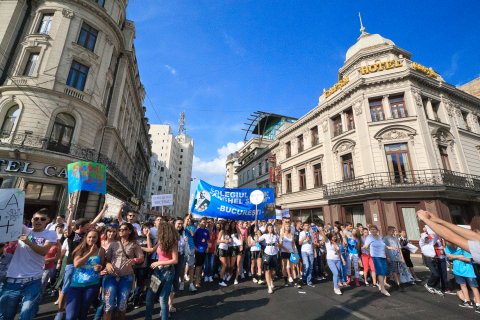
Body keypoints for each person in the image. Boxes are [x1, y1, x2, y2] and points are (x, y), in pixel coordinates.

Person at [0, 208, 57, 320]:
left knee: (26, 316)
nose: (38, 221)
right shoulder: (24, 230)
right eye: (36, 218)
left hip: (33, 281)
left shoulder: (50, 233)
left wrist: (28, 242)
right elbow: (10, 218)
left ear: (47, 221)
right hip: (12, 281)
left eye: (42, 219)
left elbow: (43, 251)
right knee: (5, 316)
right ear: (31, 220)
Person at [56, 204, 107, 320]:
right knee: (66, 288)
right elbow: (68, 226)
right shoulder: (72, 234)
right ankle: (60, 311)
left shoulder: (87, 236)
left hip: (87, 267)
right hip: (71, 264)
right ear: (81, 226)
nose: (90, 227)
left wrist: (103, 209)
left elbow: (95, 221)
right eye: (88, 226)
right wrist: (70, 211)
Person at [103, 223, 144, 320]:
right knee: (108, 305)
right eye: (120, 229)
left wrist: (134, 260)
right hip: (111, 277)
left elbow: (141, 258)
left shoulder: (134, 244)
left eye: (124, 229)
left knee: (122, 305)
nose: (121, 231)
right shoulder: (114, 243)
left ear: (129, 231)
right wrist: (107, 264)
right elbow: (106, 259)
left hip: (126, 278)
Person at [65, 230, 105, 320]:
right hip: (76, 285)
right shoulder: (80, 249)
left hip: (92, 285)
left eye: (94, 237)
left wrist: (100, 268)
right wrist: (90, 253)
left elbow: (101, 265)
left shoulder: (101, 250)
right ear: (86, 238)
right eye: (89, 237)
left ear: (98, 238)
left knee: (83, 314)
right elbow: (76, 264)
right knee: (71, 316)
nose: (91, 239)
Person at [144, 221, 179, 320]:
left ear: (163, 231)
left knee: (163, 299)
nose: (157, 231)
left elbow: (175, 260)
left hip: (167, 272)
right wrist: (139, 247)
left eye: (159, 229)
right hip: (158, 272)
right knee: (149, 297)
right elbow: (151, 250)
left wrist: (159, 263)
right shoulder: (160, 240)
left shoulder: (173, 243)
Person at [445, 241, 480, 311]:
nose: (451, 248)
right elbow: (448, 257)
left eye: (452, 246)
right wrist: (459, 256)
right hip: (457, 270)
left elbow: (468, 259)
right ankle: (467, 301)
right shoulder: (448, 246)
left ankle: (478, 304)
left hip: (468, 271)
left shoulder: (463, 246)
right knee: (463, 285)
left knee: (474, 287)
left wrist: (453, 256)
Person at [362, 225, 390, 296]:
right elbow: (366, 245)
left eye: (374, 229)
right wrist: (366, 248)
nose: (373, 230)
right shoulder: (369, 237)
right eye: (371, 229)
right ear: (370, 231)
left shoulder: (379, 237)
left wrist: (390, 248)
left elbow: (384, 245)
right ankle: (383, 289)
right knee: (380, 272)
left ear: (377, 230)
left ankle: (381, 285)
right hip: (375, 256)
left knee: (384, 272)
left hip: (382, 255)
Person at [169, 217, 186, 313]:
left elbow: (183, 248)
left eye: (181, 223)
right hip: (170, 258)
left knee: (175, 280)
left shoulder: (182, 233)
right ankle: (165, 306)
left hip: (180, 257)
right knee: (169, 280)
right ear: (174, 224)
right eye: (178, 223)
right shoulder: (170, 234)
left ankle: (170, 304)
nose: (180, 225)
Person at [259, 223, 279, 294]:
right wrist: (256, 234)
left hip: (274, 254)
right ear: (267, 228)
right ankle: (269, 287)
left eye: (271, 227)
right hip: (267, 254)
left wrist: (278, 245)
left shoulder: (276, 236)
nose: (270, 229)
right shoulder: (265, 235)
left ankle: (271, 280)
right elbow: (258, 239)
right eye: (269, 227)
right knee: (267, 270)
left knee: (273, 271)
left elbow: (279, 243)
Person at [383, 226, 405, 291]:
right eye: (392, 230)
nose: (393, 232)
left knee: (398, 270)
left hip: (397, 256)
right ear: (389, 231)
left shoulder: (396, 238)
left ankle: (398, 281)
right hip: (391, 256)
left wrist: (402, 257)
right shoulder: (386, 238)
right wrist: (387, 256)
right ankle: (398, 283)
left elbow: (399, 248)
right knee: (394, 270)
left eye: (394, 230)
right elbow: (385, 248)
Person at [193, 218, 210, 288]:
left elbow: (207, 240)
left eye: (205, 222)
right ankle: (196, 281)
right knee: (198, 266)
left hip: (204, 250)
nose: (203, 223)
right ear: (200, 222)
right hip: (198, 250)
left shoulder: (206, 231)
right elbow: (192, 240)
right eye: (202, 222)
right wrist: (195, 248)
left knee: (201, 266)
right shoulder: (197, 230)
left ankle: (198, 278)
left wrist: (207, 248)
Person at [279, 220, 295, 286]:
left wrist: (294, 251)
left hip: (291, 252)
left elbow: (293, 244)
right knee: (284, 266)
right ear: (284, 228)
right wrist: (286, 250)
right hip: (284, 252)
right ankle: (285, 281)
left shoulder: (291, 234)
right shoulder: (282, 234)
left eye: (288, 226)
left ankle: (293, 280)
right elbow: (280, 244)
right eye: (286, 227)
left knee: (292, 267)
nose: (288, 227)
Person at [299, 222, 315, 287]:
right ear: (303, 227)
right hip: (304, 251)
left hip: (310, 252)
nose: (307, 227)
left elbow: (313, 243)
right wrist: (304, 238)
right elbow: (299, 243)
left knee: (311, 267)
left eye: (308, 225)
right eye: (306, 225)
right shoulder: (301, 233)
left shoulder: (311, 233)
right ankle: (304, 278)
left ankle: (309, 281)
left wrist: (314, 251)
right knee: (307, 265)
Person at [217, 222, 232, 287]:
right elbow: (218, 241)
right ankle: (220, 280)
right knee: (224, 265)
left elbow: (228, 241)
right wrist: (224, 241)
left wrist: (229, 241)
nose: (227, 227)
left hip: (226, 249)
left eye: (228, 225)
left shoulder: (227, 232)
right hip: (221, 249)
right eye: (226, 225)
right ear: (224, 226)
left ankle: (221, 277)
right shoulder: (222, 231)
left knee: (226, 265)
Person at [184, 214, 196, 291]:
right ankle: (182, 280)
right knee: (182, 266)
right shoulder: (182, 226)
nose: (189, 220)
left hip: (191, 247)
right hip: (183, 248)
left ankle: (191, 284)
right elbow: (183, 227)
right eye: (187, 219)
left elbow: (192, 234)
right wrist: (185, 223)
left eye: (190, 219)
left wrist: (189, 226)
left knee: (191, 266)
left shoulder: (192, 227)